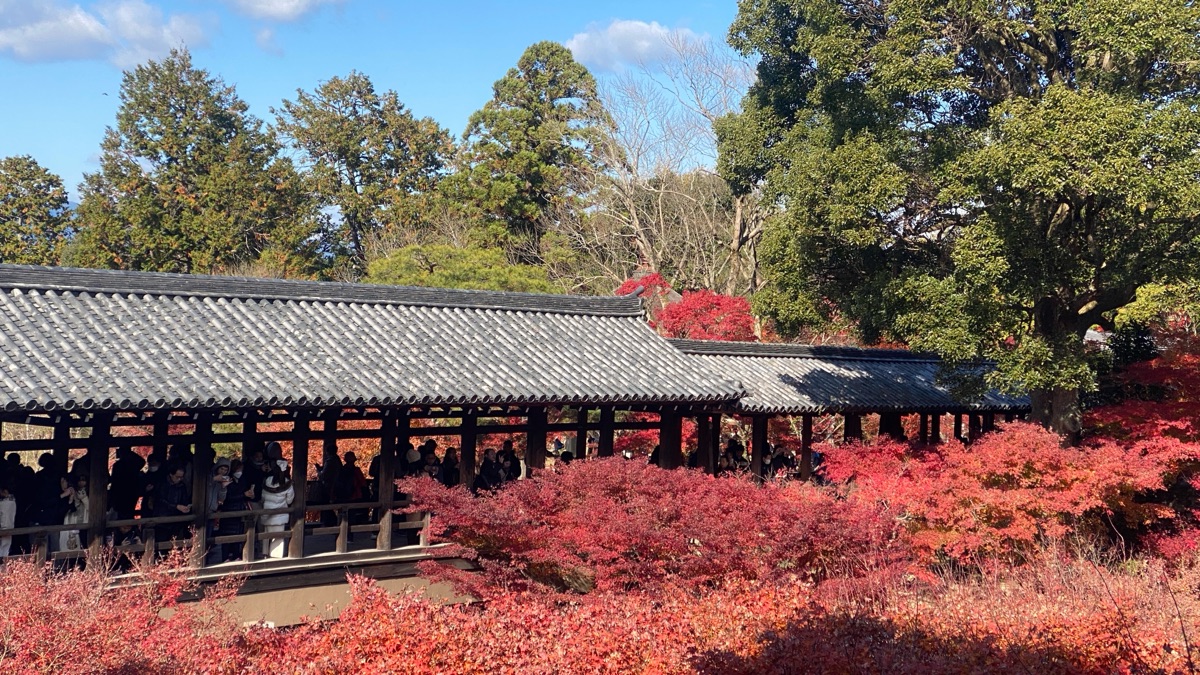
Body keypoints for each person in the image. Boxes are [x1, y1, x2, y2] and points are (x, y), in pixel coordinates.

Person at [259, 460, 294, 559]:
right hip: (280, 513)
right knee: (278, 536)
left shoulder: (267, 480)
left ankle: (265, 553)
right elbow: (289, 500)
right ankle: (275, 555)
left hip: (267, 512)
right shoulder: (287, 483)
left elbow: (263, 497)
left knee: (266, 534)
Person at [153, 465, 192, 543]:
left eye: (181, 477)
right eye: (177, 477)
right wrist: (176, 506)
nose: (179, 479)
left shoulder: (182, 485)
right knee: (162, 543)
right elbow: (160, 501)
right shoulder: (162, 484)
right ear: (171, 474)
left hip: (176, 521)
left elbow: (184, 500)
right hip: (162, 520)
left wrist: (186, 507)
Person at [108, 445, 145, 519]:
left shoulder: (120, 465)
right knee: (127, 512)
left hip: (123, 493)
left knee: (122, 513)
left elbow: (114, 481)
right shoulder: (132, 465)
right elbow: (141, 461)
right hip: (129, 492)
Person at [60, 473, 88, 552]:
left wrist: (84, 498)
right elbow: (71, 509)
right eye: (79, 480)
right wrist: (71, 498)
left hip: (85, 525)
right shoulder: (70, 492)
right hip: (71, 525)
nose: (81, 482)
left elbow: (91, 509)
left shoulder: (91, 491)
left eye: (83, 480)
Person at [0, 481, 15, 558]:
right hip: (10, 526)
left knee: (2, 548)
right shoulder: (13, 502)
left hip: (3, 527)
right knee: (6, 548)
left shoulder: (3, 503)